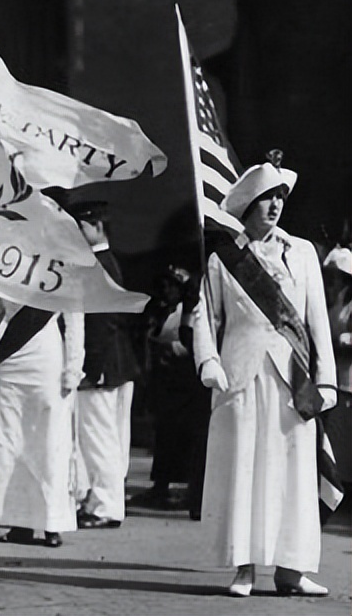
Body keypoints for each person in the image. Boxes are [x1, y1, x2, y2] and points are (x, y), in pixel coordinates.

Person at [190, 153, 336, 597]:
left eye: (280, 199)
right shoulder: (222, 259)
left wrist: (326, 378)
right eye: (266, 199)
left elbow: (317, 322)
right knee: (245, 471)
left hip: (294, 379)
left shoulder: (304, 252)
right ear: (248, 204)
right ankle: (245, 568)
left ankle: (291, 570)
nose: (275, 207)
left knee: (292, 473)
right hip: (241, 375)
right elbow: (203, 315)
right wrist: (208, 362)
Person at [0, 295, 84, 548]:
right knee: (9, 444)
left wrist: (73, 370)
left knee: (49, 444)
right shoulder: (8, 264)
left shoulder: (62, 264)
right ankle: (18, 522)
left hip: (47, 361)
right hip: (8, 361)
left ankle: (52, 523)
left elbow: (75, 321)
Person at [66, 201, 141, 529]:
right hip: (113, 362)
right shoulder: (104, 262)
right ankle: (101, 500)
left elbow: (103, 322)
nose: (76, 234)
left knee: (99, 438)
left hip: (102, 364)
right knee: (104, 437)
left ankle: (106, 506)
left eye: (80, 227)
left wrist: (89, 366)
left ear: (97, 226)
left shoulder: (98, 265)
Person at [129, 265, 209, 518]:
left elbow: (195, 342)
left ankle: (185, 487)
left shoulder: (193, 311)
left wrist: (174, 347)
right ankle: (161, 485)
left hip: (187, 381)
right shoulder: (163, 310)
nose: (167, 291)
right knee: (164, 435)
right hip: (167, 382)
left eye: (172, 286)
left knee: (186, 437)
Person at [323, 246, 352, 390]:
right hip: (333, 380)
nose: (329, 281)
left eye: (334, 276)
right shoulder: (330, 302)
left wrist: (347, 339)